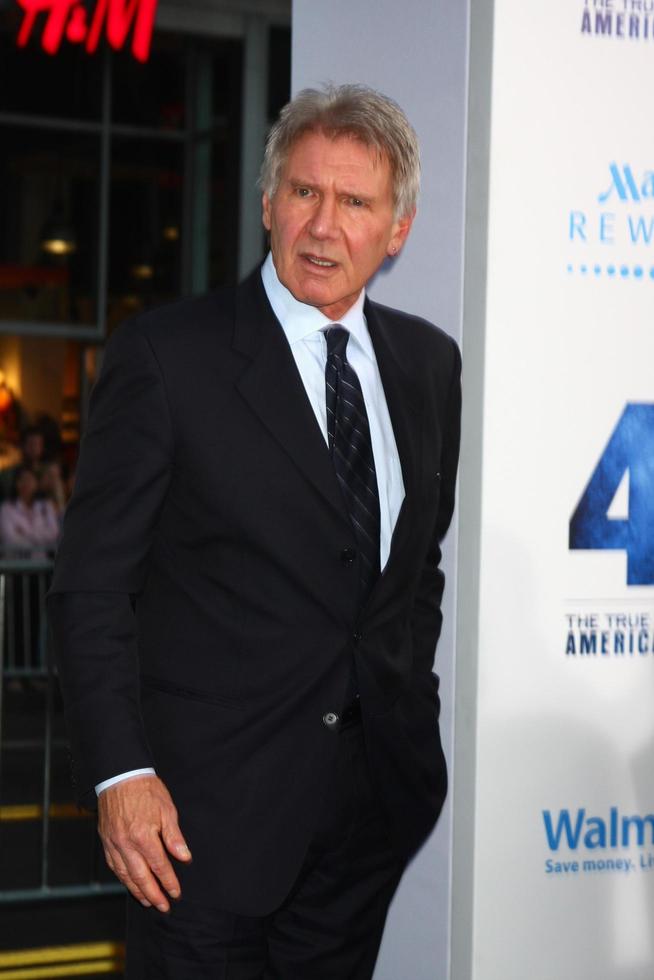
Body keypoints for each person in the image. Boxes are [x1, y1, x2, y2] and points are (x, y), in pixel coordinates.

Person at [47, 84, 461, 979]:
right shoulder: (168, 357)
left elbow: (413, 569)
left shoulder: (430, 366)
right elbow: (92, 588)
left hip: (365, 822)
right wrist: (121, 777)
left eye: (356, 202)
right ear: (268, 203)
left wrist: (407, 716)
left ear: (398, 229)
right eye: (305, 193)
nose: (324, 225)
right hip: (198, 832)